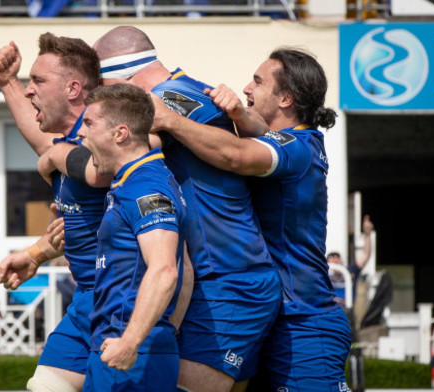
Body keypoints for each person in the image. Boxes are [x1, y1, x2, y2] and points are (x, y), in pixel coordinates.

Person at [40, 26, 280, 392]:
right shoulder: (193, 90)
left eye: (105, 87)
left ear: (125, 77)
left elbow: (95, 161)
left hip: (229, 280)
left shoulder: (162, 103)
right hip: (208, 277)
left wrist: (55, 155)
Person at [150, 47, 351, 390]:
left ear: (285, 98)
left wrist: (168, 119)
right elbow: (249, 136)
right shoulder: (276, 138)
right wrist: (238, 114)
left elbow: (234, 154)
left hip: (303, 322)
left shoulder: (299, 146)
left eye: (258, 82)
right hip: (265, 316)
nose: (246, 87)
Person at [0, 32, 108, 392]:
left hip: (122, 302)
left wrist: (54, 156)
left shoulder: (106, 138)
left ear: (73, 89)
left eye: (37, 81)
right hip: (87, 300)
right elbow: (45, 143)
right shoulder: (62, 143)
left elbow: (98, 167)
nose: (29, 90)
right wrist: (7, 81)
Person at [76, 83, 187, 391]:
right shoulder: (133, 183)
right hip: (123, 347)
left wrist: (132, 341)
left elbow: (166, 270)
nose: (80, 134)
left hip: (129, 355)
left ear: (120, 133)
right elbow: (184, 266)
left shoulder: (145, 188)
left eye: (89, 124)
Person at [327, 214, 375, 308]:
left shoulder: (350, 271)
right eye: (331, 257)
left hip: (347, 311)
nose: (335, 259)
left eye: (338, 257)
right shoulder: (323, 274)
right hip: (329, 312)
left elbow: (366, 255)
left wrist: (367, 234)